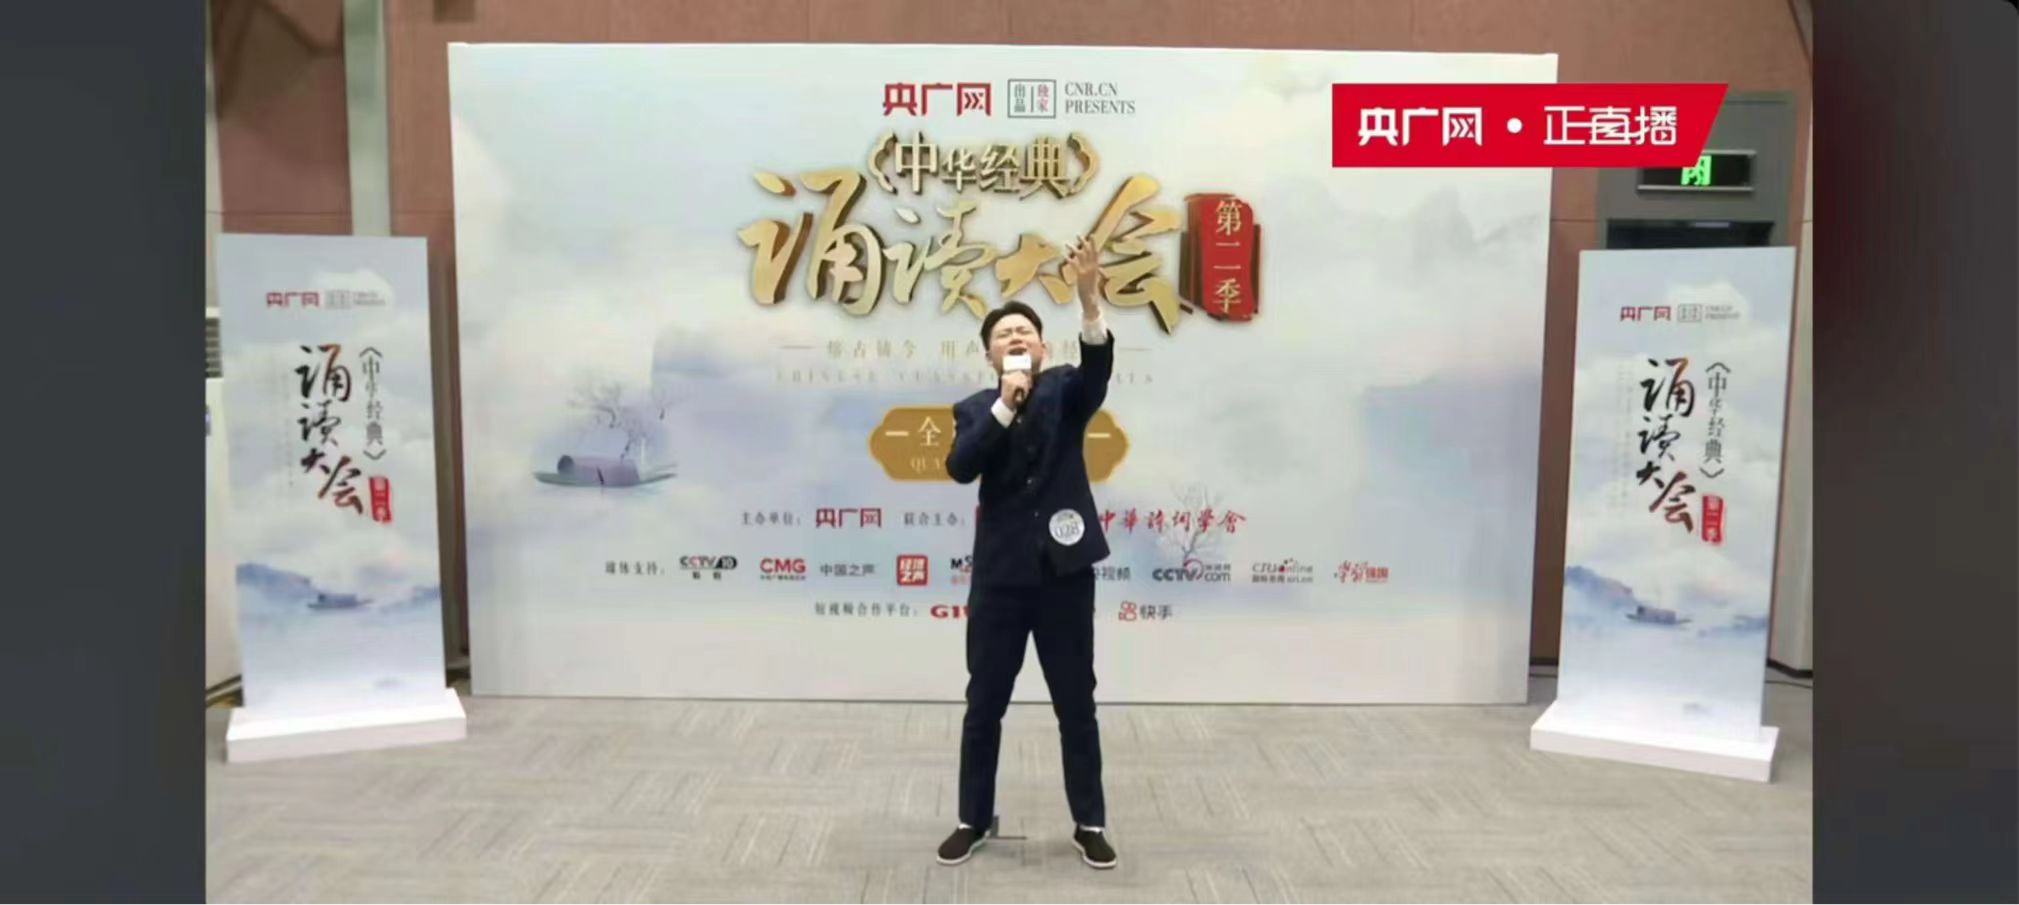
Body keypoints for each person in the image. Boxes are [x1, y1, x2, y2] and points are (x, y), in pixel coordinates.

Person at [936, 237, 1118, 870]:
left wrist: (1089, 302)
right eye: (1003, 334)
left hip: (1065, 575)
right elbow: (961, 466)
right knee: (985, 702)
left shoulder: (1067, 389)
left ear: (1043, 348)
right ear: (990, 355)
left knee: (1076, 702)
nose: (1015, 338)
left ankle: (1089, 822)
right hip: (1001, 580)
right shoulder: (974, 410)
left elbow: (1097, 372)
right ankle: (972, 818)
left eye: (1025, 332)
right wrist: (1004, 406)